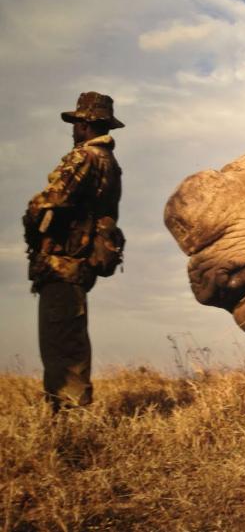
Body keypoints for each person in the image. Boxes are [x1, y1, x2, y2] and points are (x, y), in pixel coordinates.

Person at [23, 92, 124, 413]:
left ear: (86, 125)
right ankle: (69, 414)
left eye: (78, 122)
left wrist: (32, 223)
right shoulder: (110, 162)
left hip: (63, 263)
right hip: (79, 265)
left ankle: (70, 418)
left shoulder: (84, 157)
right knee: (70, 341)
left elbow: (48, 202)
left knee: (61, 346)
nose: (74, 129)